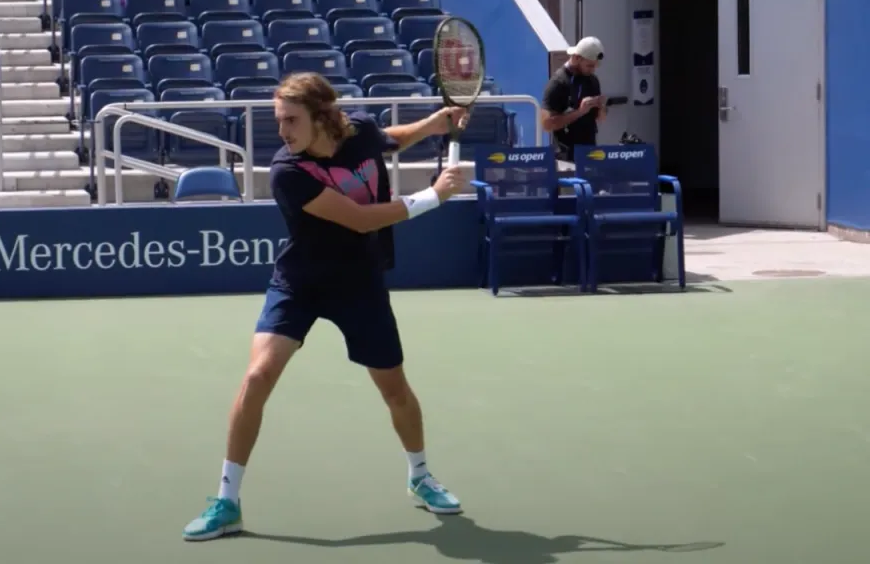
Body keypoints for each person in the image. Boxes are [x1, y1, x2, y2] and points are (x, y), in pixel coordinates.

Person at [182, 72, 471, 542]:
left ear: (323, 119)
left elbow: (385, 140)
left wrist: (432, 126)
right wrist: (433, 196)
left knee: (394, 387)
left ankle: (420, 475)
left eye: (291, 121)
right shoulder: (288, 172)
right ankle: (226, 501)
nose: (282, 132)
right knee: (257, 377)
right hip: (301, 284)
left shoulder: (354, 129)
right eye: (279, 121)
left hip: (360, 283)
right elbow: (358, 220)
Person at [541, 36, 607, 162]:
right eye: (589, 66)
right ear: (577, 58)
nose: (592, 70)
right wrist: (579, 112)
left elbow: (600, 118)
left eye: (594, 66)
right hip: (566, 156)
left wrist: (601, 107)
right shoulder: (558, 82)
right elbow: (546, 124)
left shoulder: (592, 80)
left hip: (590, 153)